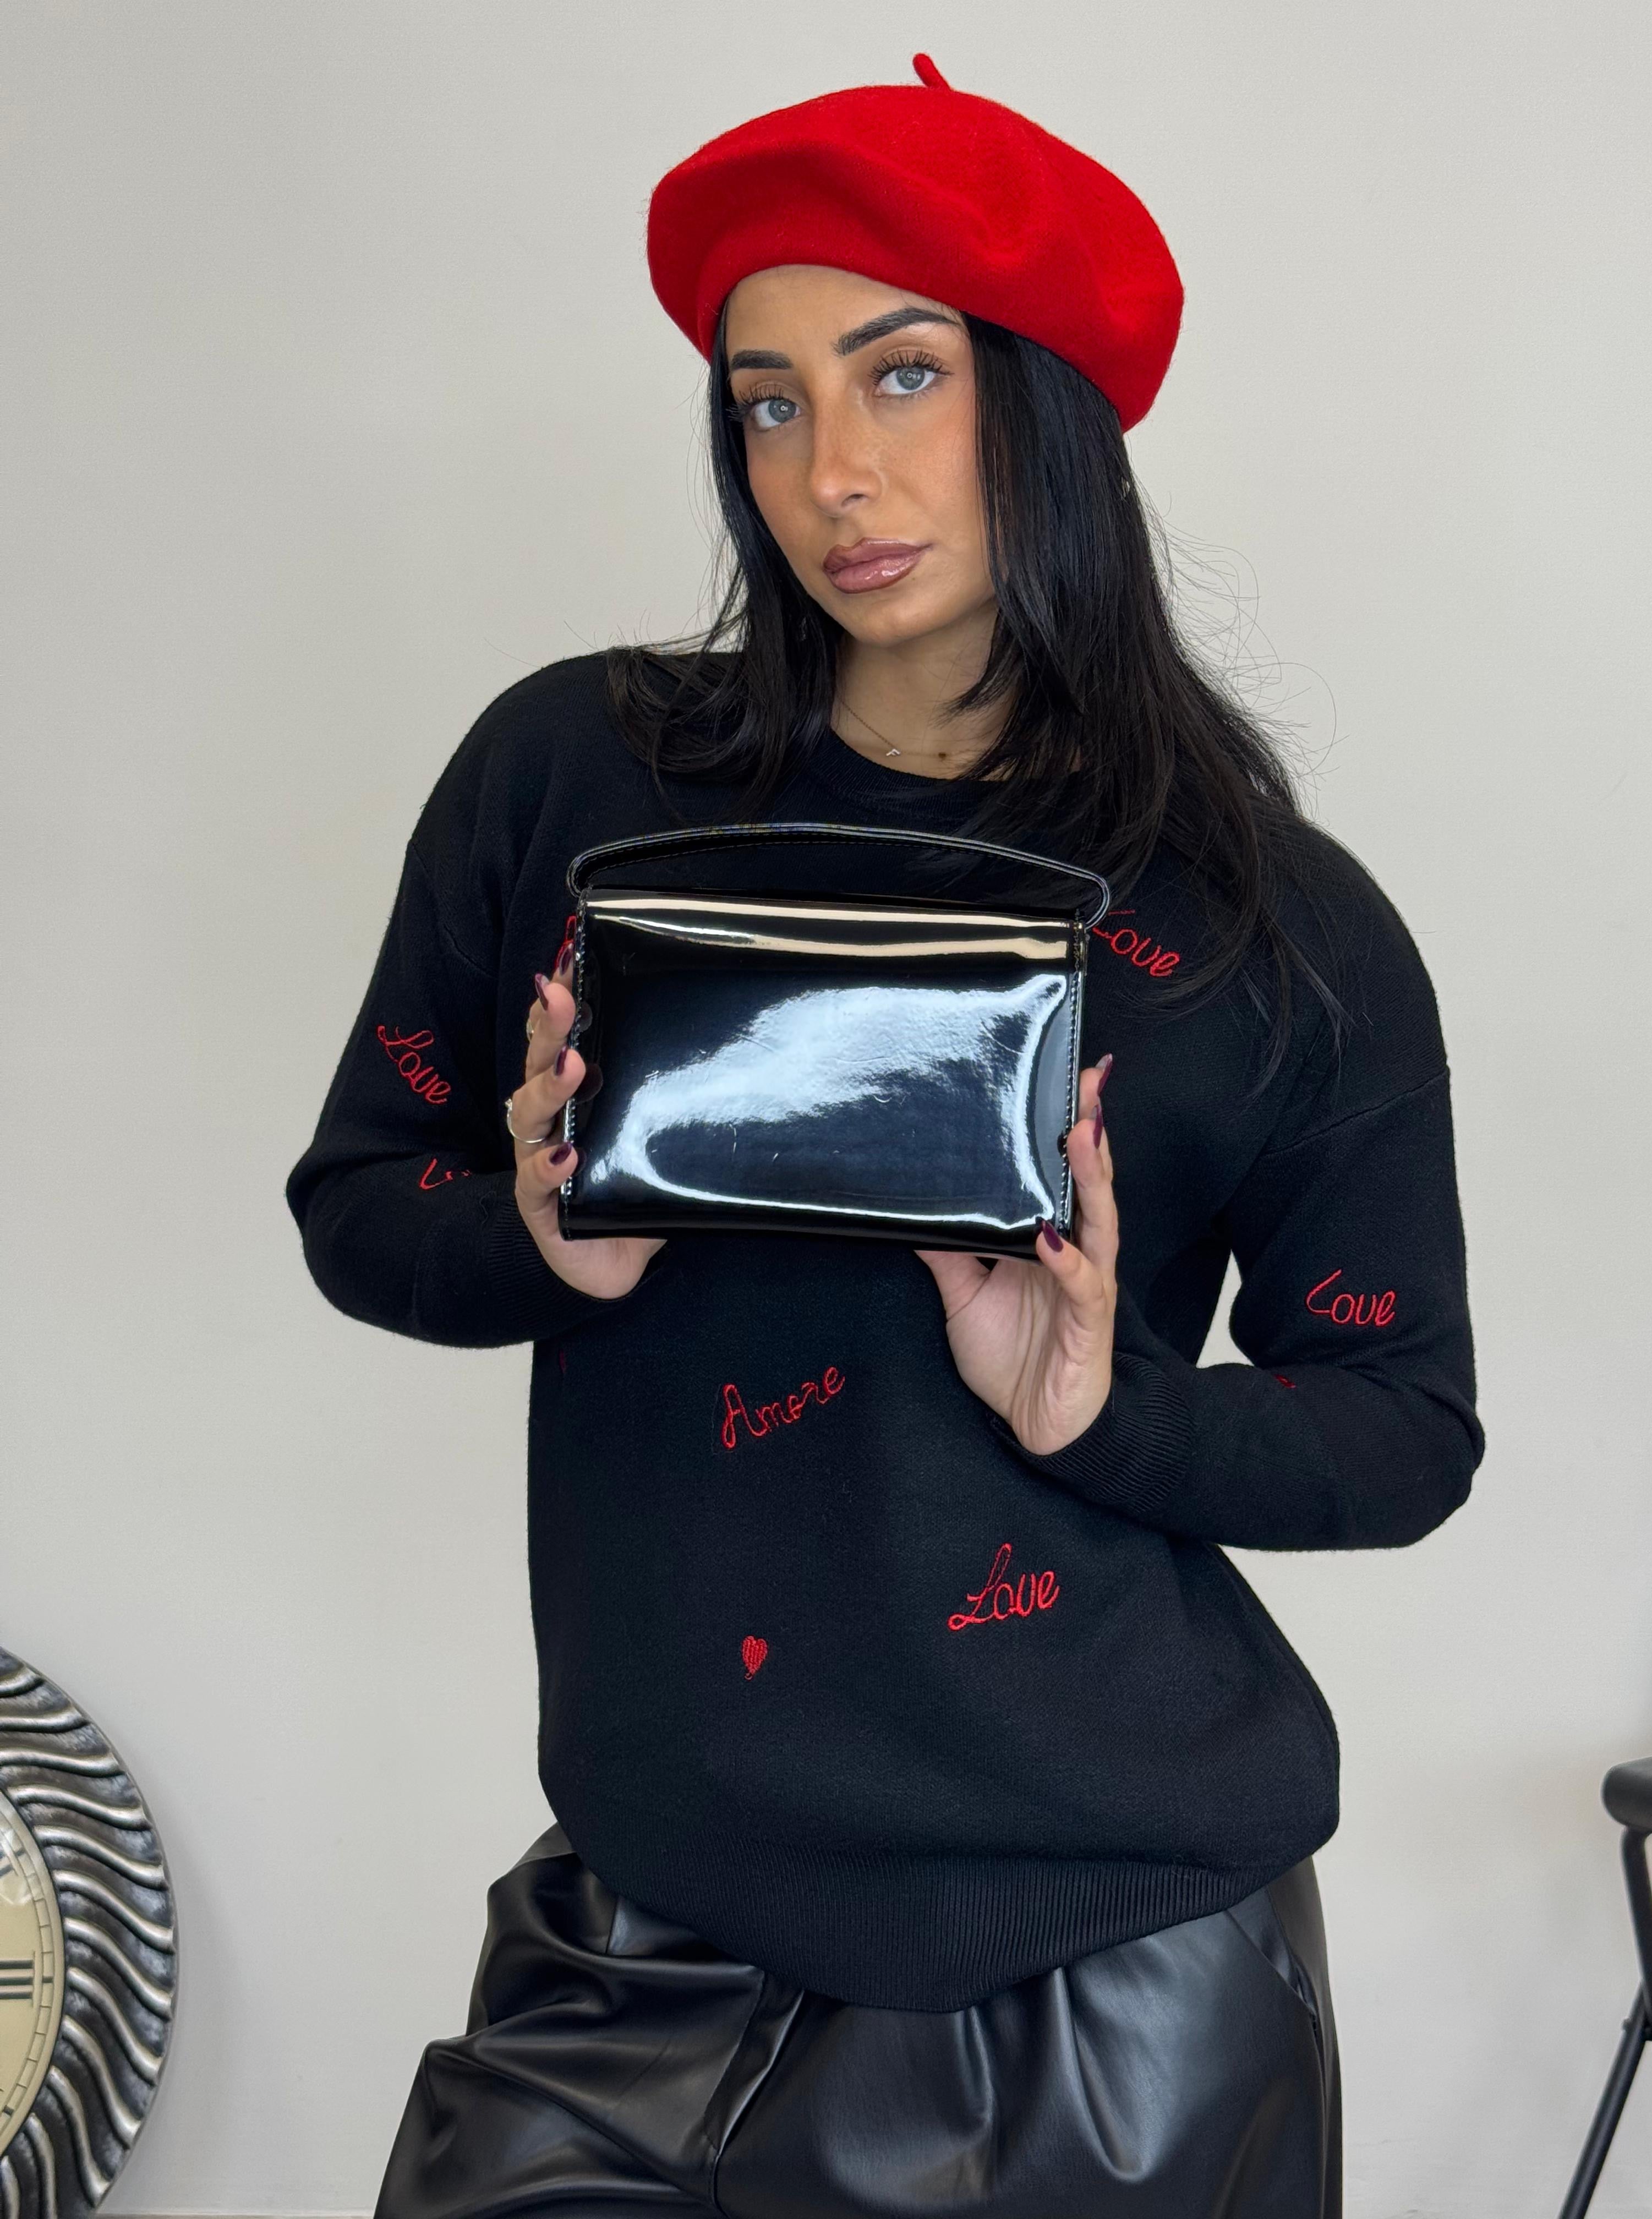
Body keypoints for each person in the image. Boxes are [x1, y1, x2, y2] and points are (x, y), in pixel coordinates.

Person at [285, 52, 1482, 2219]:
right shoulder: (578, 777)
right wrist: (534, 1239)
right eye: (768, 403)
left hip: (1115, 1954)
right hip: (643, 1927)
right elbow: (366, 1201)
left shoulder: (1272, 926)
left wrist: (1106, 1409)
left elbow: (1404, 1429)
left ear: (1047, 404)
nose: (830, 469)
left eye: (903, 375)